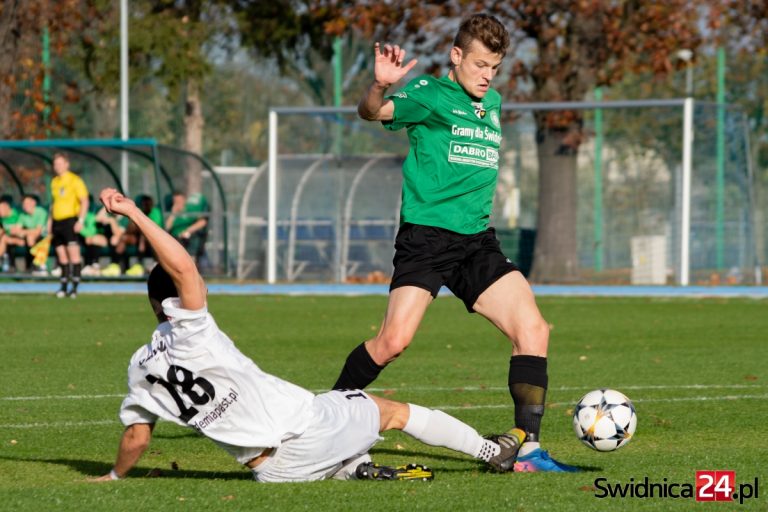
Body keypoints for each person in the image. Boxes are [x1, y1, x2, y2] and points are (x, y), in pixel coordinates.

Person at [90, 187, 522, 483]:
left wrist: (114, 477)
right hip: (305, 432)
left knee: (341, 422)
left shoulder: (140, 367)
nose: (200, 286)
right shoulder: (191, 328)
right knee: (389, 411)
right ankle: (491, 452)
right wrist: (133, 213)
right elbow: (182, 266)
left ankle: (353, 467)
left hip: (271, 472)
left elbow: (137, 438)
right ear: (176, 300)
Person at [331, 13, 576, 473]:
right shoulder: (428, 95)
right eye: (480, 64)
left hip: (477, 243)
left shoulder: (494, 103)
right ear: (456, 56)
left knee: (534, 331)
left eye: (495, 68)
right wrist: (379, 86)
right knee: (393, 342)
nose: (487, 76)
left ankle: (527, 450)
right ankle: (327, 416)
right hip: (426, 239)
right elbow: (370, 112)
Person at [48, 152, 88, 298]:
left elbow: (84, 200)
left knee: (74, 256)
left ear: (67, 164)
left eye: (60, 163)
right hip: (57, 223)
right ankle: (63, 287)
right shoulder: (54, 182)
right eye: (55, 164)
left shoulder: (75, 180)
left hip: (69, 221)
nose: (57, 166)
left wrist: (81, 220)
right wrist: (49, 222)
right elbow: (54, 204)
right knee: (62, 257)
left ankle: (75, 288)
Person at [3, 194, 48, 272]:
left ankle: (36, 264)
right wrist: (22, 233)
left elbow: (37, 231)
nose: (25, 206)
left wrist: (23, 232)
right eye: (23, 204)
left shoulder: (41, 212)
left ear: (33, 203)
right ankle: (12, 266)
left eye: (27, 203)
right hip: (29, 239)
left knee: (30, 237)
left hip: (44, 239)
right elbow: (15, 230)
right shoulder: (23, 215)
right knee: (8, 239)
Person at [165, 191, 208, 266]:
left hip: (189, 237)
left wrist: (188, 230)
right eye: (175, 201)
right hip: (175, 238)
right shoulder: (172, 213)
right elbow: (167, 227)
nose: (177, 203)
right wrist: (173, 213)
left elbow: (202, 222)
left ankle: (192, 265)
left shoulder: (191, 210)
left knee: (193, 239)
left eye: (179, 201)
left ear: (184, 200)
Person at [0, 196, 21, 272]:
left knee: (5, 239)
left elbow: (18, 231)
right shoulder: (2, 218)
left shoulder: (17, 214)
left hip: (20, 240)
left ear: (7, 206)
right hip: (8, 240)